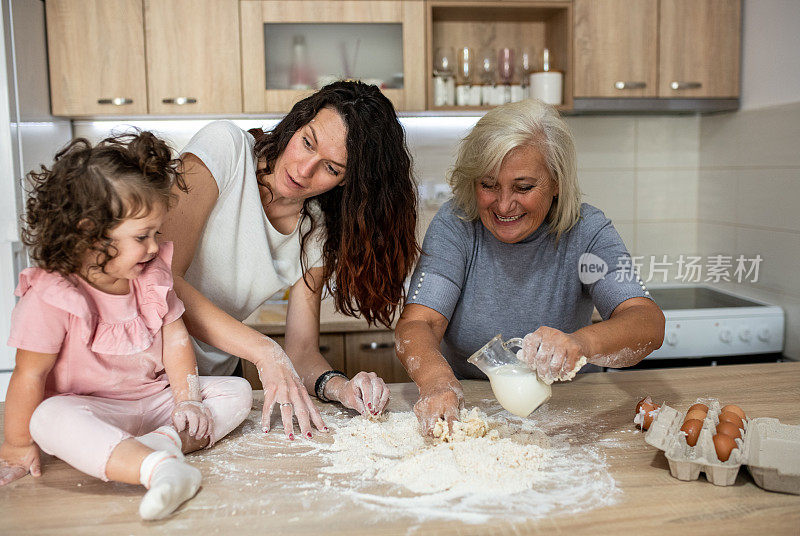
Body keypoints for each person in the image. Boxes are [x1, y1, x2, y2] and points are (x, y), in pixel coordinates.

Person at [0, 133, 253, 520]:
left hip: (154, 403)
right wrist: (17, 447)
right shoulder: (52, 296)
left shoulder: (151, 278)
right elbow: (29, 376)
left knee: (237, 391)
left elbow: (175, 339)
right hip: (93, 410)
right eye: (141, 236)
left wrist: (187, 400)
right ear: (89, 233)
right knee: (48, 418)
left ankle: (156, 445)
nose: (154, 247)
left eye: (156, 233)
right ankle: (161, 470)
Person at [161, 81, 419, 439]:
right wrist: (265, 351)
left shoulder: (316, 233)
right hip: (144, 370)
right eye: (307, 142)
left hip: (215, 384)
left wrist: (340, 387)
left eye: (331, 167)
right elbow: (162, 279)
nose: (303, 170)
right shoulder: (226, 149)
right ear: (297, 122)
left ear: (348, 182)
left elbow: (300, 352)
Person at [395, 99, 666, 434]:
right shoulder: (457, 225)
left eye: (523, 187)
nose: (504, 204)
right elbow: (419, 323)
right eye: (488, 185)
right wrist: (437, 383)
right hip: (469, 409)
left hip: (569, 411)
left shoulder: (586, 232)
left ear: (556, 183)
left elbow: (646, 322)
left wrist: (581, 344)